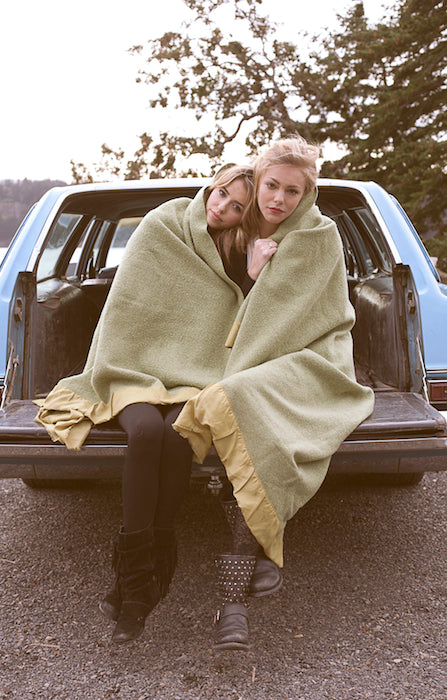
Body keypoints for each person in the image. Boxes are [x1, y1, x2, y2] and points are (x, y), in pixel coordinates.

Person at [35, 164, 278, 644]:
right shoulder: (162, 223)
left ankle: (135, 590)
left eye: (235, 209)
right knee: (146, 432)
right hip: (132, 369)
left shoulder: (235, 251)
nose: (222, 208)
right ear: (213, 184)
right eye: (222, 194)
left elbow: (247, 321)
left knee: (176, 435)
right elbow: (128, 307)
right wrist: (128, 363)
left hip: (197, 374)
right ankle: (142, 578)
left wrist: (252, 276)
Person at [173, 136, 375, 651]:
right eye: (270, 186)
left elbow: (308, 314)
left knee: (236, 398)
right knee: (233, 396)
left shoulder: (319, 234)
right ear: (257, 180)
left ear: (306, 194)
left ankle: (241, 580)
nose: (278, 199)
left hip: (310, 357)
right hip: (235, 356)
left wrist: (266, 276)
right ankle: (258, 547)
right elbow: (210, 299)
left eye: (291, 190)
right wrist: (252, 271)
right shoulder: (233, 227)